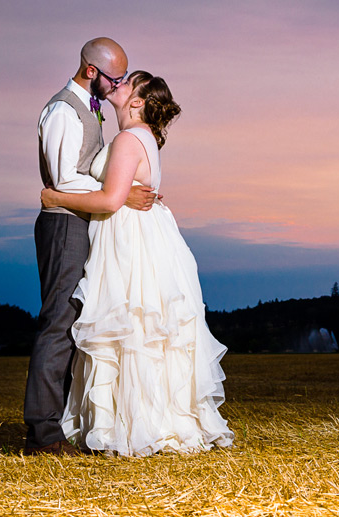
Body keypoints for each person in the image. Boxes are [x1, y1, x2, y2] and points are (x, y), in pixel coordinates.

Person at [40, 70, 233, 456]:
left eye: (129, 82)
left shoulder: (129, 139)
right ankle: (149, 419)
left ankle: (130, 426)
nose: (120, 83)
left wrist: (55, 198)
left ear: (138, 101)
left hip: (130, 240)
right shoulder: (140, 138)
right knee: (142, 331)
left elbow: (111, 200)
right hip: (146, 235)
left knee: (128, 326)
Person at [24, 38, 158, 457]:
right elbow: (63, 181)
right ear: (90, 72)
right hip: (64, 224)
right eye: (113, 77)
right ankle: (42, 434)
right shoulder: (64, 110)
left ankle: (60, 425)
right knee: (59, 324)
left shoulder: (90, 109)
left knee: (75, 324)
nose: (117, 85)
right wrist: (117, 192)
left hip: (82, 222)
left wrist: (118, 192)